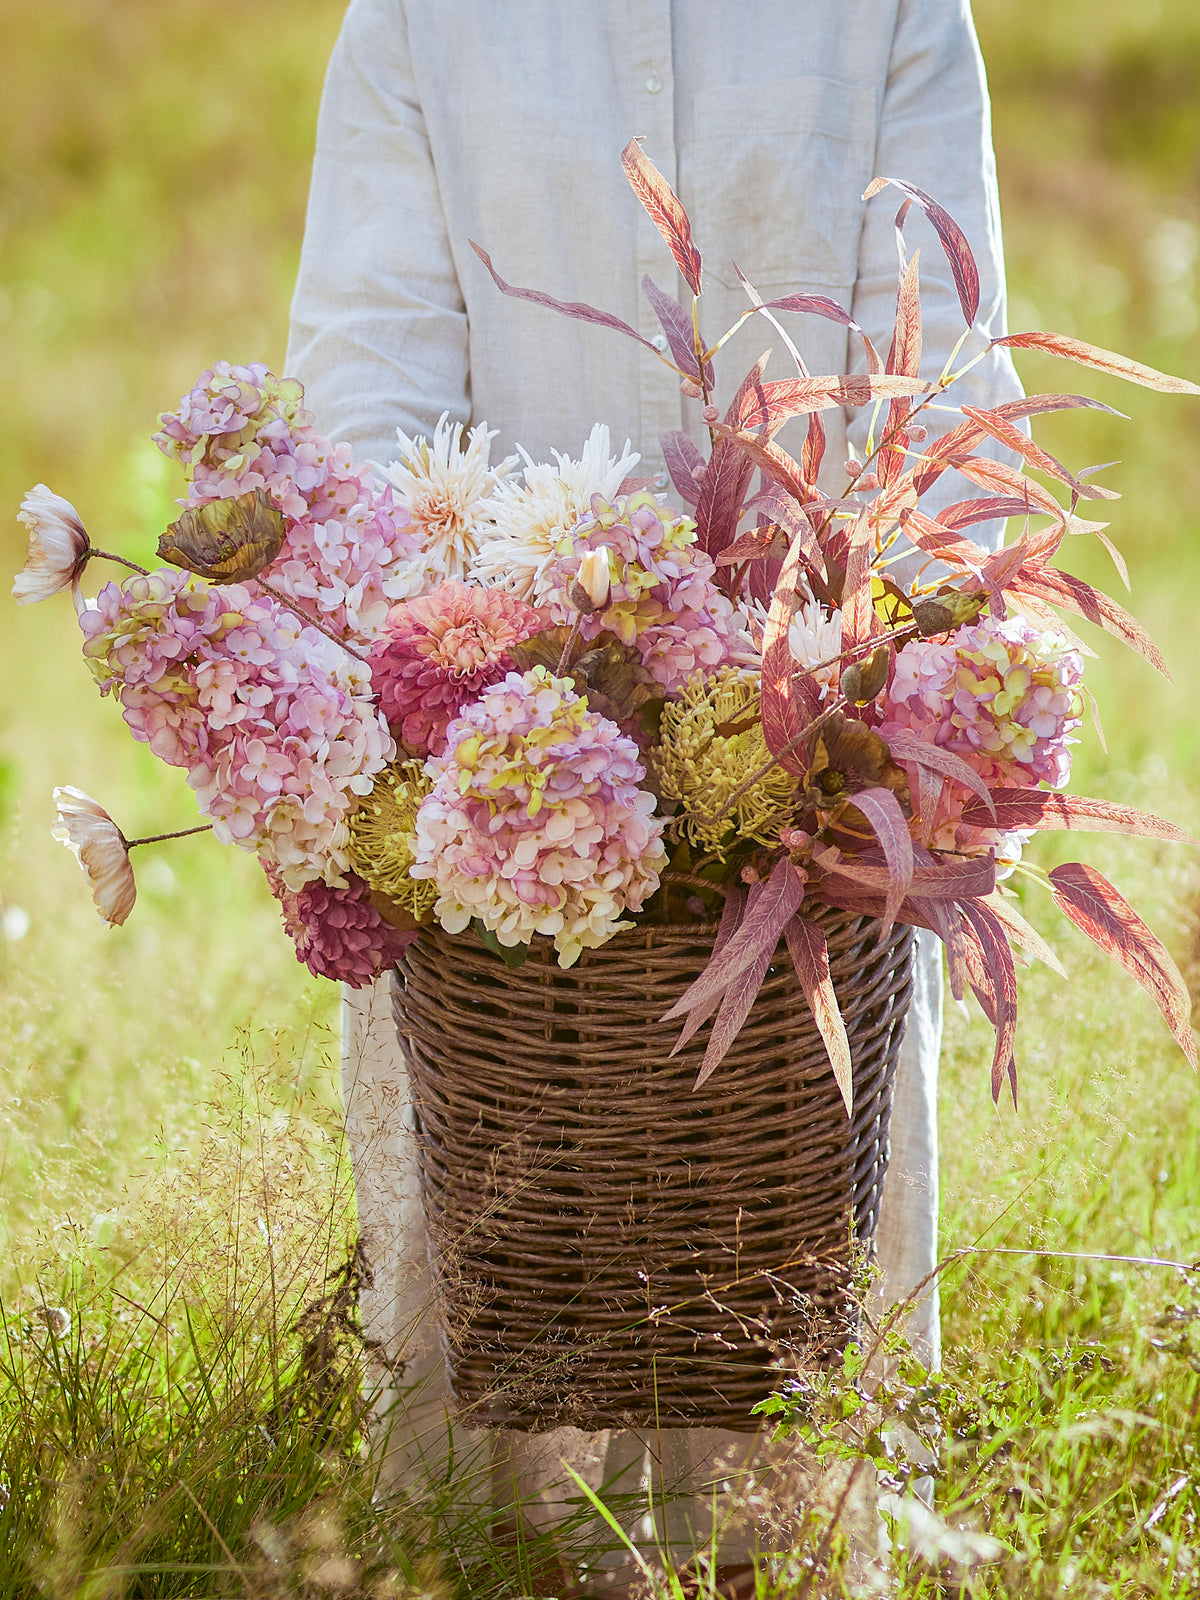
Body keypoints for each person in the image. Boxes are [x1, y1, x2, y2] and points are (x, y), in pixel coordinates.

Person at [286, 0, 1022, 1582]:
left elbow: (946, 381)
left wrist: (879, 702)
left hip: (818, 779)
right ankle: (500, 1554)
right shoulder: (424, 19)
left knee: (798, 1283)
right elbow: (369, 376)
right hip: (493, 782)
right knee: (509, 1316)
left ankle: (797, 1553)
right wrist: (474, 707)